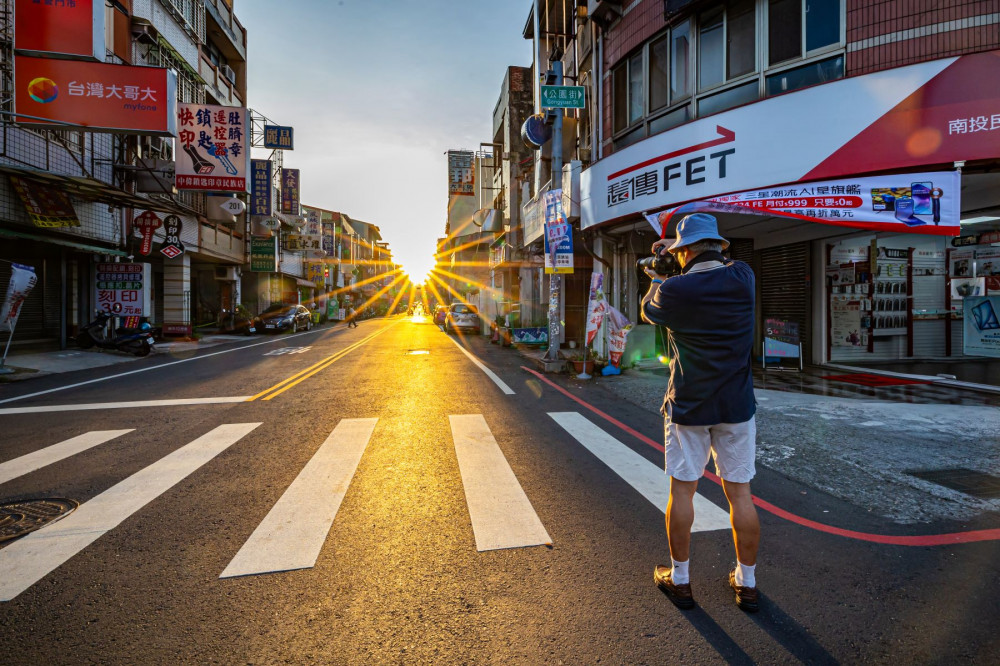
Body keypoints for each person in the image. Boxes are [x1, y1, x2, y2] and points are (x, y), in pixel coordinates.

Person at [640, 213, 760, 613]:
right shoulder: (744, 277)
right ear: (719, 246)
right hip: (737, 406)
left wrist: (657, 273)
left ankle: (681, 579)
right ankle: (747, 583)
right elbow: (717, 265)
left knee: (682, 491)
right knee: (739, 494)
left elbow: (649, 311)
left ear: (684, 252)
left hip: (689, 404)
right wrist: (674, 259)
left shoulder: (674, 290)